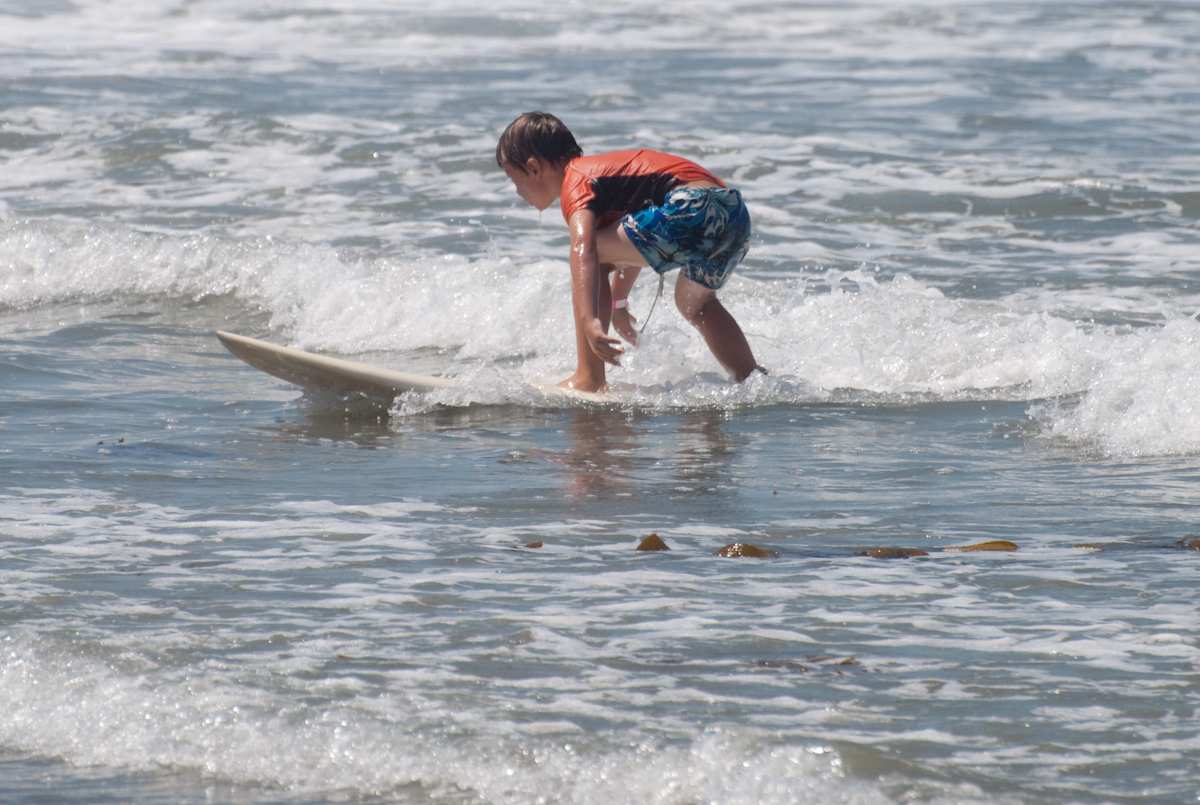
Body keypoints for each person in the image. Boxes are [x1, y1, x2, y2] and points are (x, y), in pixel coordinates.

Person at [496, 111, 762, 393]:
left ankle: (589, 378)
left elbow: (584, 250)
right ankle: (752, 379)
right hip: (733, 216)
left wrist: (590, 321)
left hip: (692, 205)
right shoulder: (609, 175)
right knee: (695, 304)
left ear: (534, 167)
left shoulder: (576, 180)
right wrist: (618, 301)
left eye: (515, 180)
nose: (517, 192)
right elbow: (632, 237)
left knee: (594, 250)